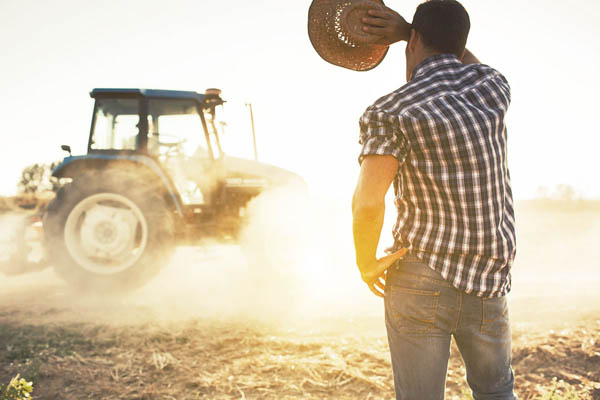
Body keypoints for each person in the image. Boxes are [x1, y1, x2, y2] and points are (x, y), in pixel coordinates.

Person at [351, 1, 517, 399]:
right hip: (489, 276)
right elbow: (466, 61)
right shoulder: (493, 88)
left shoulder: (391, 110)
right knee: (496, 392)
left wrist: (365, 262)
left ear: (414, 43)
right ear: (461, 42)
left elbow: (368, 203)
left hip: (420, 275)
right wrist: (410, 30)